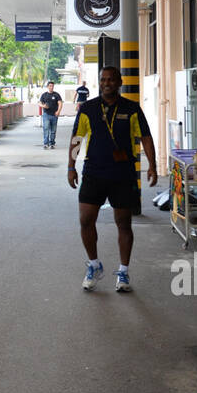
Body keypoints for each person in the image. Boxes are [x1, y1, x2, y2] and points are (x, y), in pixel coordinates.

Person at [67, 65, 157, 293]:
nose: (106, 83)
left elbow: (145, 137)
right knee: (86, 220)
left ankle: (124, 272)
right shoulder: (88, 108)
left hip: (122, 174)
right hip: (94, 172)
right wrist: (71, 166)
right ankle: (94, 265)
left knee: (124, 223)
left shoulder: (131, 108)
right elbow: (77, 138)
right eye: (103, 79)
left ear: (119, 82)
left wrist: (153, 166)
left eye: (111, 79)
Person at [38, 80, 63, 149]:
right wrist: (43, 106)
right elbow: (39, 103)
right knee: (46, 129)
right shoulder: (44, 95)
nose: (51, 87)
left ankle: (52, 143)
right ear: (47, 87)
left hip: (54, 115)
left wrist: (58, 111)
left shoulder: (56, 95)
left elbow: (60, 103)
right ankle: (46, 143)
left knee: (53, 130)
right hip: (46, 115)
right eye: (50, 86)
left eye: (52, 86)